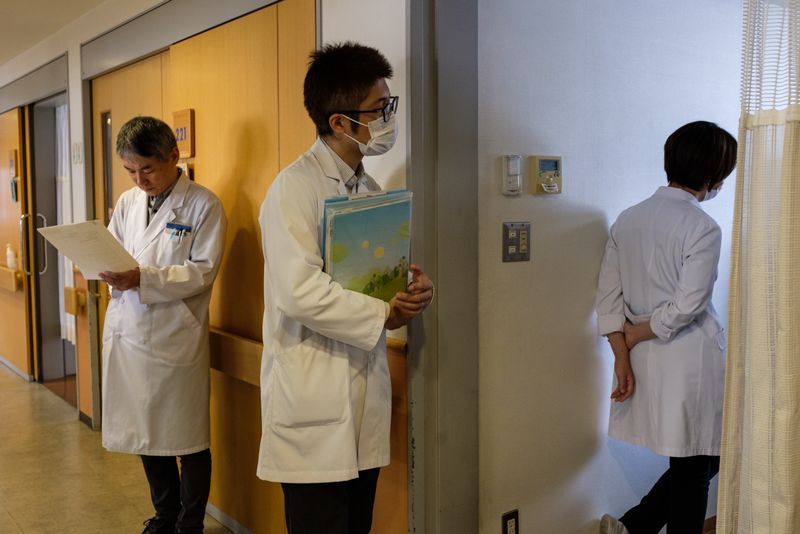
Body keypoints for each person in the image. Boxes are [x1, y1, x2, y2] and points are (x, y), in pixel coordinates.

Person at [257, 42, 434, 534]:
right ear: (339, 122)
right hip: (312, 397)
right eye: (380, 109)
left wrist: (409, 291)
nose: (388, 118)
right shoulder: (294, 189)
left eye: (388, 106)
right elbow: (297, 291)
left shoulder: (370, 192)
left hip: (361, 396)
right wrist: (383, 315)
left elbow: (375, 284)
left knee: (358, 524)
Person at [595, 121, 737, 534]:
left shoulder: (628, 218)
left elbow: (608, 297)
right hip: (689, 360)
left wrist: (622, 353)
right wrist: (636, 335)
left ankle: (631, 526)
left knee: (700, 458)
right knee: (696, 464)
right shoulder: (702, 226)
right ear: (711, 175)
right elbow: (688, 305)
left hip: (647, 360)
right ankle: (634, 526)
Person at [99, 116, 227, 534]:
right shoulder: (128, 202)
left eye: (148, 169)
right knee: (146, 434)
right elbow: (114, 252)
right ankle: (164, 514)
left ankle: (190, 524)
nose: (140, 180)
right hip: (132, 332)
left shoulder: (203, 205)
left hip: (176, 336)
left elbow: (202, 271)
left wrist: (144, 279)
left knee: (188, 439)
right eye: (130, 171)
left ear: (174, 155)